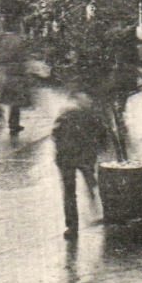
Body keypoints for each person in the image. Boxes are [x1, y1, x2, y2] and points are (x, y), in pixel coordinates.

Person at [51, 93, 114, 238]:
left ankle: (72, 227)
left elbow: (55, 133)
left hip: (66, 158)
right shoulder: (92, 116)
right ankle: (99, 200)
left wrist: (61, 149)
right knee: (90, 177)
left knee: (69, 193)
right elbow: (103, 134)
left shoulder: (65, 115)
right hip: (84, 156)